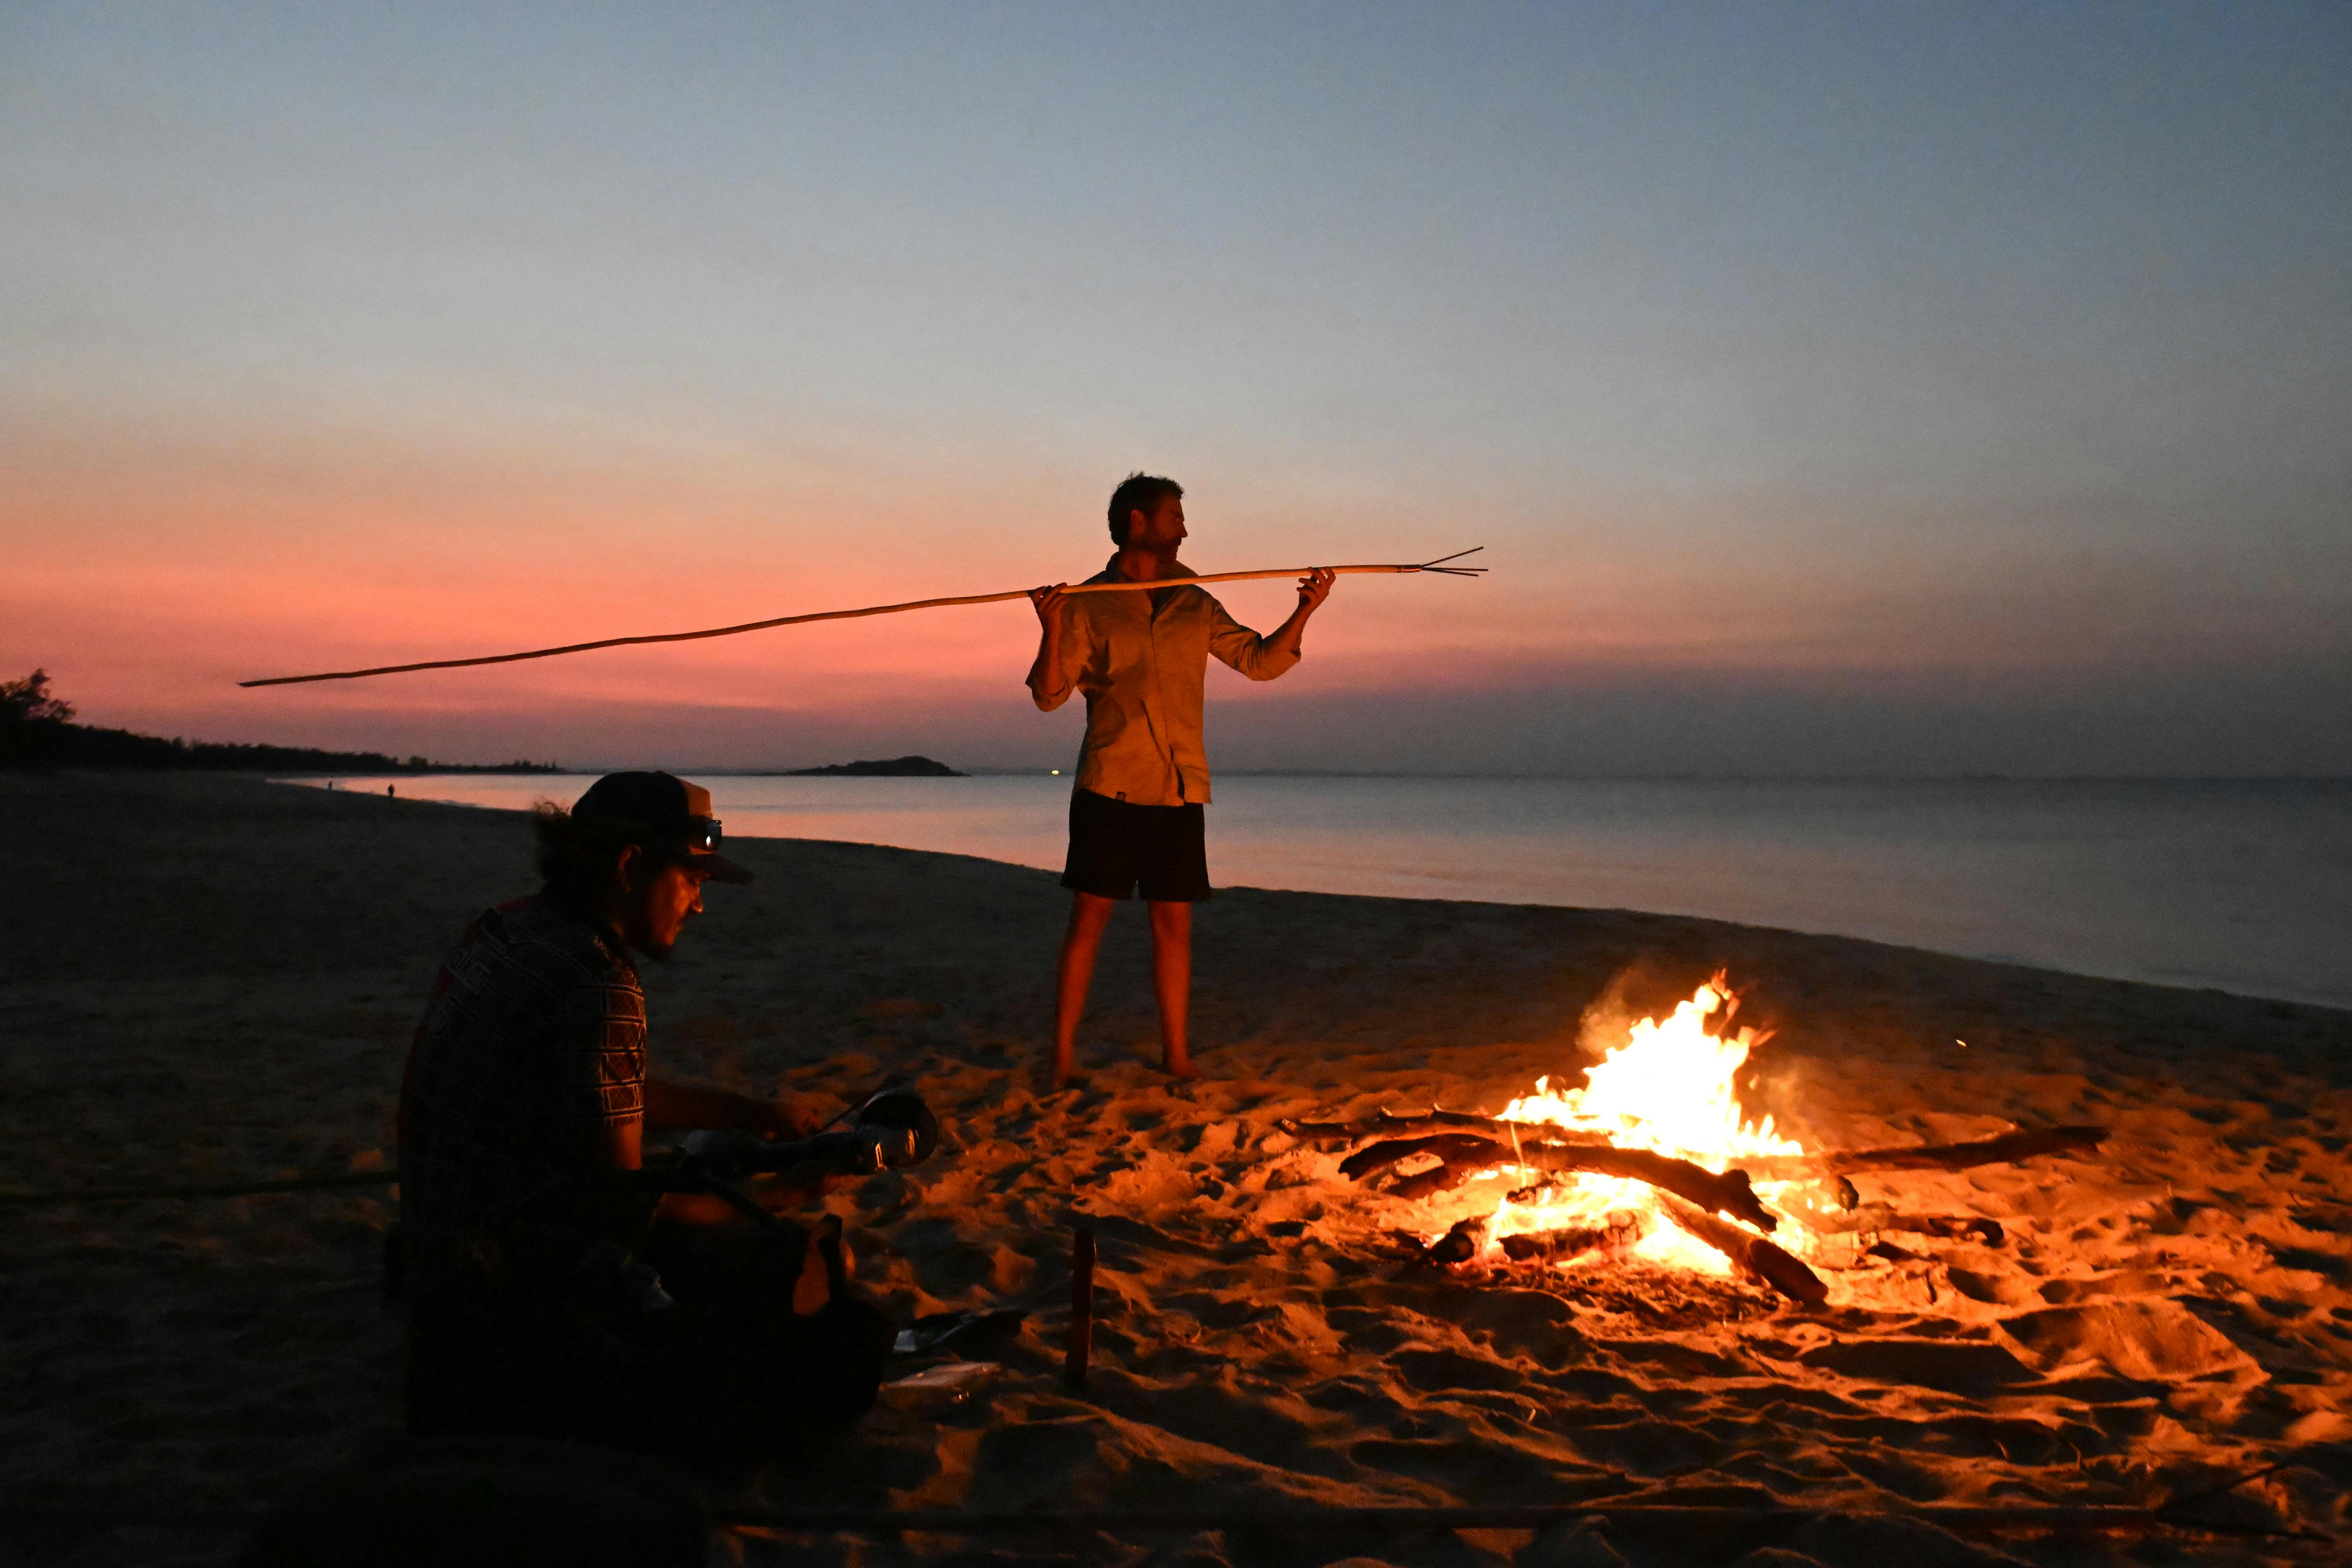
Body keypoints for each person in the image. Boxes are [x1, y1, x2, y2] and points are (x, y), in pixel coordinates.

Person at [396, 771, 892, 1459]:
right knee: (836, 1322)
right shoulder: (600, 980)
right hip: (514, 1294)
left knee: (776, 1250)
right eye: (691, 880)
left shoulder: (507, 926)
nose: (698, 907)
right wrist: (782, 1193)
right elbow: (621, 1206)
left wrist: (750, 1112)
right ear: (631, 866)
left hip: (435, 1263)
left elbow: (599, 1089)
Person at [1027, 473, 1335, 1085]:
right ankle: (1060, 1058)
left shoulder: (1195, 601)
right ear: (1138, 522)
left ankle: (1176, 1054)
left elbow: (1260, 662)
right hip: (1110, 784)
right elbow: (1049, 696)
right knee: (1088, 921)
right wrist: (1052, 626)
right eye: (1175, 516)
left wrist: (1304, 610)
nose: (1185, 529)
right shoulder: (1087, 602)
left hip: (1178, 787)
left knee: (1173, 925)